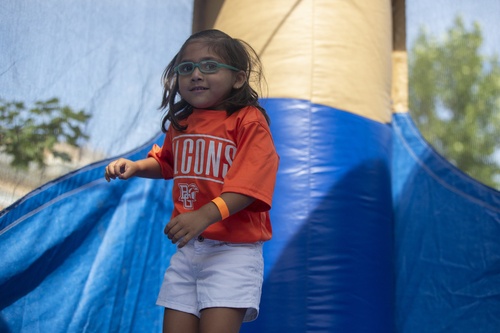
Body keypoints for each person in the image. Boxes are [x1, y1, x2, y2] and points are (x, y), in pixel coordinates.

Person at [104, 29, 279, 333]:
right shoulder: (183, 123)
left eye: (209, 66)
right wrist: (135, 166)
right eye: (186, 68)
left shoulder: (247, 120)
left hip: (232, 252)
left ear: (238, 78)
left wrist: (205, 215)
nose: (196, 74)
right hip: (188, 251)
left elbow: (249, 187)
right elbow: (167, 163)